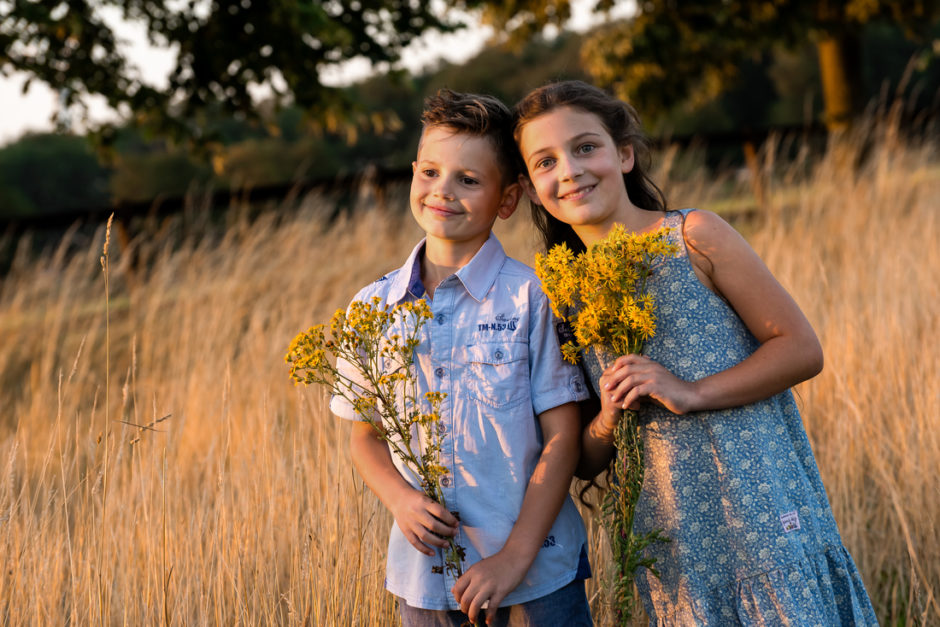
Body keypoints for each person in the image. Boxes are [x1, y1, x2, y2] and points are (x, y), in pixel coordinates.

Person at [512, 80, 878, 624]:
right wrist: (610, 414)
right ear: (530, 186)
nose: (569, 170)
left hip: (762, 508)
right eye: (546, 161)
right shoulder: (562, 295)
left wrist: (692, 391)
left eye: (586, 147)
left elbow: (800, 349)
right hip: (673, 538)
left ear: (625, 154)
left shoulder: (692, 236)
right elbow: (586, 456)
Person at [330, 88, 594, 627]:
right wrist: (401, 500)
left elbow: (563, 438)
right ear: (412, 174)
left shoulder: (532, 297)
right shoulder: (371, 307)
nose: (442, 192)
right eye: (430, 172)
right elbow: (364, 434)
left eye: (468, 180)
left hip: (533, 576)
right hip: (425, 581)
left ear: (507, 199)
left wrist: (513, 559)